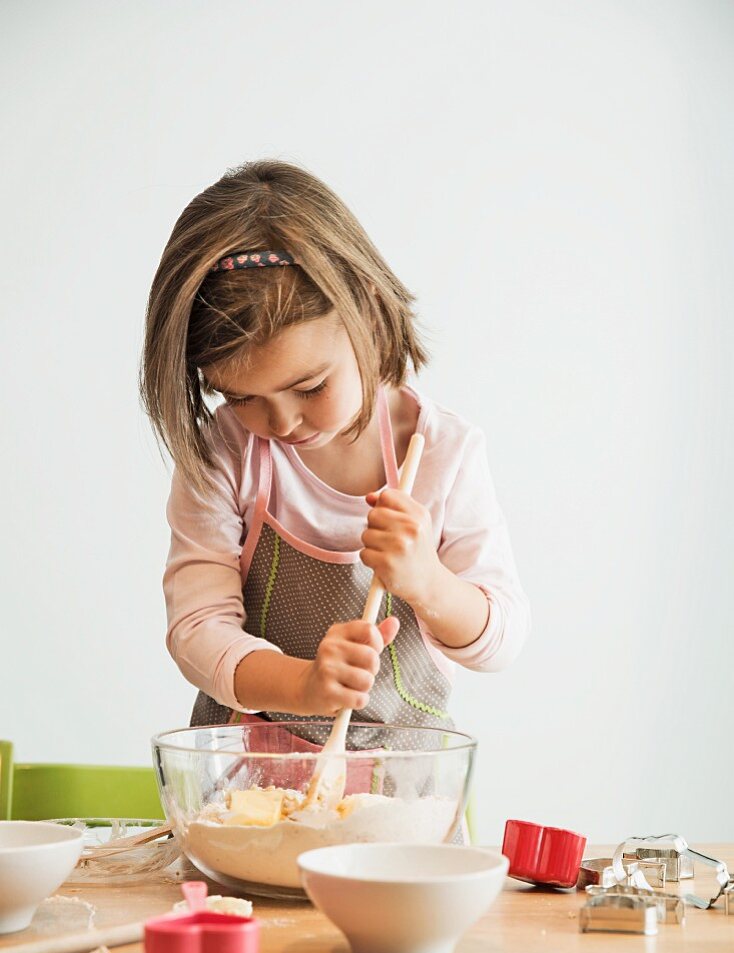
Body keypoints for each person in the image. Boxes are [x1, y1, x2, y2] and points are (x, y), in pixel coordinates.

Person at [140, 160, 530, 749]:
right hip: (247, 785)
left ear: (367, 316)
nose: (281, 421)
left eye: (310, 386)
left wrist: (427, 580)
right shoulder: (225, 451)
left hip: (401, 797)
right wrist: (304, 686)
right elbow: (199, 630)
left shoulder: (444, 454)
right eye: (242, 396)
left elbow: (500, 641)